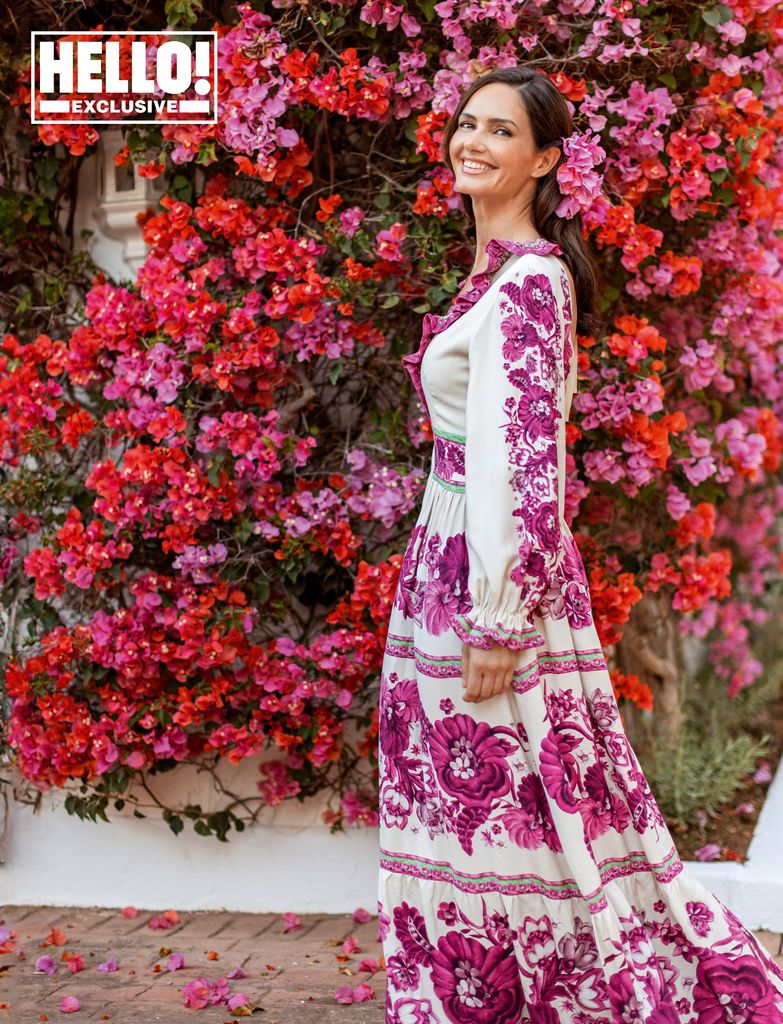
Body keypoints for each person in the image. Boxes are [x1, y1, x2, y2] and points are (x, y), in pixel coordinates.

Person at [377, 65, 783, 1024]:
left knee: (508, 797)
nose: (471, 142)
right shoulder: (496, 280)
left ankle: (527, 1000)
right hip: (448, 563)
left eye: (501, 131)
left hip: (482, 581)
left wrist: (497, 613)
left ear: (545, 158)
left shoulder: (530, 284)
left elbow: (520, 462)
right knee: (496, 802)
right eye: (465, 125)